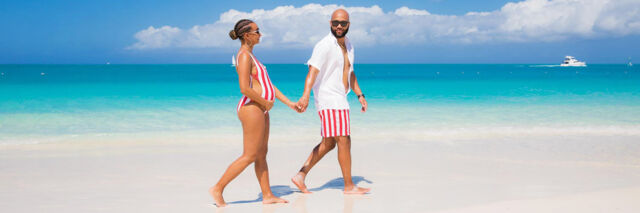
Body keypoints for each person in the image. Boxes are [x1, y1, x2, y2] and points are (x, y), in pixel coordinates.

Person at [209, 19, 298, 207]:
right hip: (252, 108)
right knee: (249, 155)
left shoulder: (252, 56)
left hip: (261, 108)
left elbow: (268, 85)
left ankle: (267, 195)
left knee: (261, 154)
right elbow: (244, 88)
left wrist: (289, 103)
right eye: (257, 31)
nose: (260, 34)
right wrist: (264, 102)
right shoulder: (243, 56)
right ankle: (217, 188)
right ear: (247, 35)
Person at [291, 9, 370, 195]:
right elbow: (312, 72)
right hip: (329, 98)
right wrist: (305, 95)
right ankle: (349, 186)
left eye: (343, 23)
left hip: (340, 98)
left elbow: (349, 72)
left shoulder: (349, 45)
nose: (339, 26)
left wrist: (360, 95)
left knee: (329, 143)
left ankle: (300, 175)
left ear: (349, 24)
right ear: (330, 23)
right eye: (335, 23)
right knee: (344, 139)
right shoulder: (324, 45)